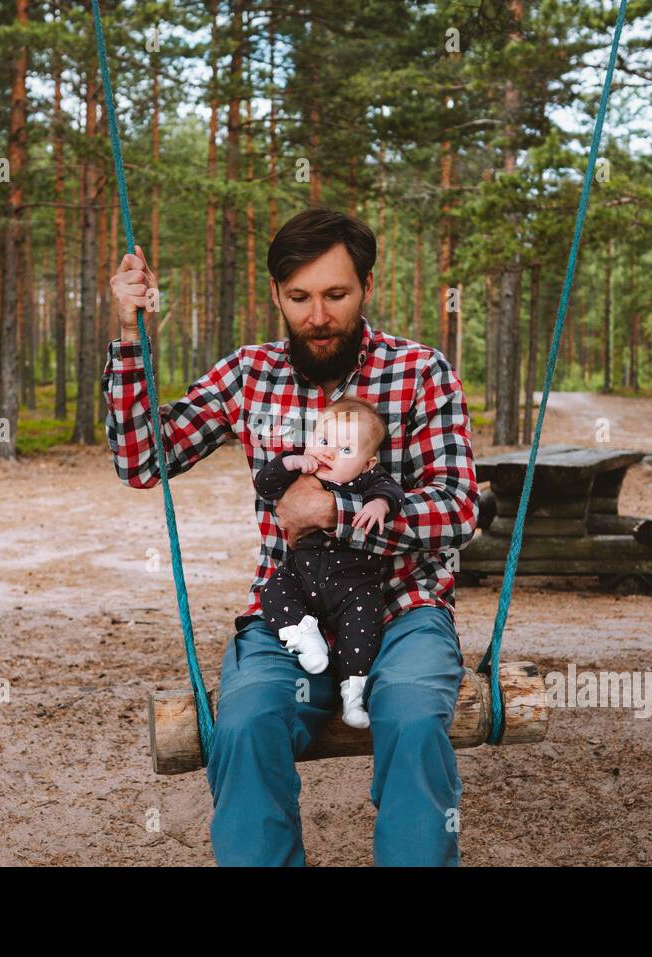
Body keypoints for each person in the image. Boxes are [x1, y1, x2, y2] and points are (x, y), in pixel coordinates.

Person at [102, 207, 478, 866]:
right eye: (300, 297)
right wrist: (126, 335)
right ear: (277, 294)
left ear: (366, 286)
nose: (318, 315)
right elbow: (140, 459)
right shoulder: (249, 375)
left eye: (336, 294)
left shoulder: (421, 372)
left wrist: (338, 513)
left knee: (416, 722)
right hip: (290, 614)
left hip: (401, 611)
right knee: (243, 726)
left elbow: (458, 509)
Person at [253, 397, 407, 728]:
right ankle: (302, 635)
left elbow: (392, 493)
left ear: (368, 463)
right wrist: (290, 463)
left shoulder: (367, 480)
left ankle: (354, 696)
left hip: (353, 583)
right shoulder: (300, 470)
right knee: (273, 592)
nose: (329, 454)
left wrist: (379, 506)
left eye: (346, 450)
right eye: (323, 442)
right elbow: (264, 485)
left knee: (362, 632)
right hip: (302, 574)